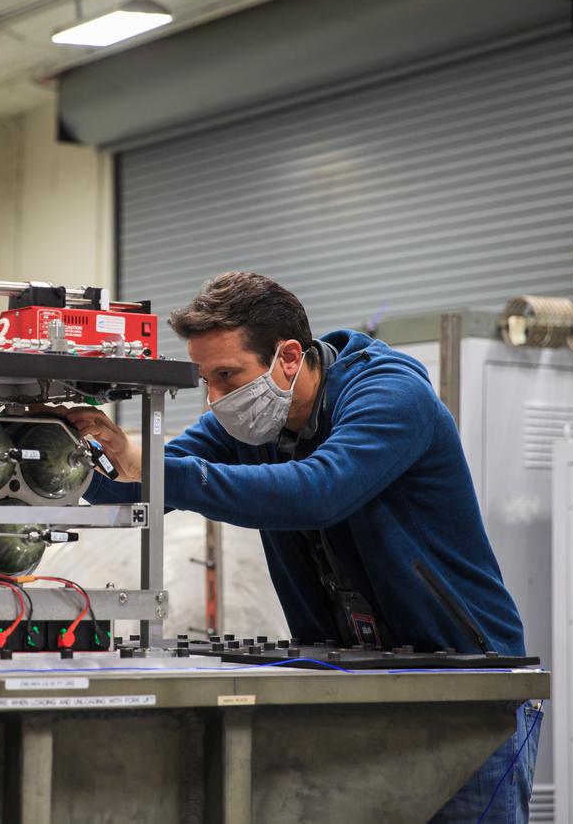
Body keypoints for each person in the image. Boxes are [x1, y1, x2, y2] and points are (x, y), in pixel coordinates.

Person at [64, 272, 539, 822]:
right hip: (354, 682)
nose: (216, 400)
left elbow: (318, 491)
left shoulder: (389, 395)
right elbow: (144, 485)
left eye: (227, 376)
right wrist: (72, 449)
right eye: (205, 382)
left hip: (469, 685)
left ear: (288, 357)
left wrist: (152, 465)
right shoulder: (247, 425)